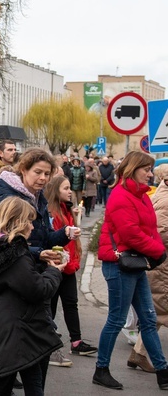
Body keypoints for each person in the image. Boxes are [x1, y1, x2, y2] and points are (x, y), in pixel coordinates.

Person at [0, 197, 65, 395]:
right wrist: (54, 272)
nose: (32, 227)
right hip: (17, 326)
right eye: (29, 221)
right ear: (16, 222)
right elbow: (37, 290)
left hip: (14, 323)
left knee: (28, 381)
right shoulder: (14, 253)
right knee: (0, 385)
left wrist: (37, 257)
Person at [94, 151, 168, 390]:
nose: (150, 173)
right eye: (146, 169)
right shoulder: (120, 196)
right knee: (116, 320)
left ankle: (163, 372)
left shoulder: (144, 195)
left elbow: (151, 228)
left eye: (150, 169)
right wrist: (158, 251)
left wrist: (156, 249)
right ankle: (101, 370)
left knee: (148, 319)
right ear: (132, 169)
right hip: (119, 264)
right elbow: (131, 234)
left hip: (135, 263)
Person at [43, 175, 97, 367]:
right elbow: (54, 240)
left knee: (71, 303)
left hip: (69, 266)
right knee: (51, 306)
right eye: (65, 188)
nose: (69, 191)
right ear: (56, 190)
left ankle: (76, 341)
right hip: (57, 266)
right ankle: (47, 346)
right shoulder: (52, 213)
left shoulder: (66, 210)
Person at [0, 148, 74, 263]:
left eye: (47, 174)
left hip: (33, 267)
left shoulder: (39, 197)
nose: (43, 178)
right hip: (17, 269)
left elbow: (45, 237)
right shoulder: (9, 198)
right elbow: (3, 243)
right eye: (38, 172)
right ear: (24, 170)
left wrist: (64, 233)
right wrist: (38, 253)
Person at [128, 163, 168, 373]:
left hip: (161, 266)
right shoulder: (165, 200)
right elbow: (160, 233)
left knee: (159, 314)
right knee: (160, 312)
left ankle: (139, 353)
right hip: (163, 267)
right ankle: (143, 355)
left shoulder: (162, 195)